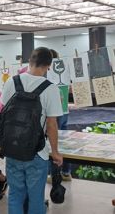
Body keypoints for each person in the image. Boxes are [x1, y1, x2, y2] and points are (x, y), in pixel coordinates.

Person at [0, 47, 63, 214]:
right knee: (36, 199)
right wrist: (55, 152)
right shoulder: (50, 88)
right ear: (48, 66)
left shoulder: (11, 82)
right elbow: (51, 124)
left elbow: (2, 113)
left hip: (12, 149)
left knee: (14, 196)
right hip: (37, 152)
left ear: (30, 61)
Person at [48, 49, 72, 182]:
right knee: (64, 141)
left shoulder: (47, 73)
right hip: (64, 110)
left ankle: (54, 175)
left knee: (53, 141)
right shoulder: (65, 72)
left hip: (54, 111)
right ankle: (66, 172)